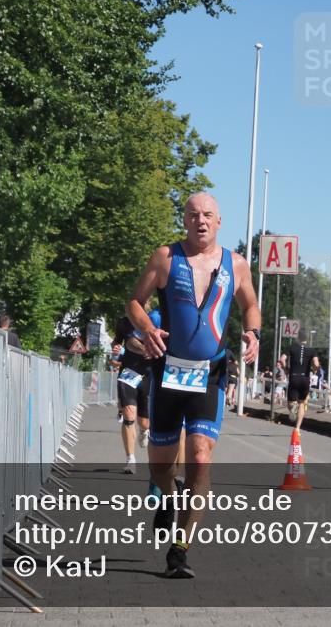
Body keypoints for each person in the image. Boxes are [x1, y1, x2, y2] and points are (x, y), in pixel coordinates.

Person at [128, 192, 260, 578]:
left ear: (219, 222)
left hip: (210, 373)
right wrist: (148, 328)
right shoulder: (165, 258)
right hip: (169, 372)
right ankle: (168, 497)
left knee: (201, 455)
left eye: (207, 215)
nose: (200, 221)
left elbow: (250, 304)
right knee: (160, 467)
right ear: (184, 220)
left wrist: (252, 332)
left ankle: (179, 550)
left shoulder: (236, 265)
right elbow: (134, 303)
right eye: (192, 215)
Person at [112, 313, 159, 473]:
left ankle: (144, 431)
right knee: (129, 415)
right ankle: (130, 459)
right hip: (128, 372)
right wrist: (115, 351)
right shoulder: (123, 322)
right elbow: (117, 342)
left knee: (144, 422)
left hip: (148, 374)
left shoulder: (154, 319)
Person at [281, 329, 320, 431]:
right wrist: (315, 370)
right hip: (305, 379)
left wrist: (286, 369)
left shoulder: (291, 347)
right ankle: (297, 428)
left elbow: (282, 359)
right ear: (307, 338)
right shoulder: (312, 350)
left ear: (298, 337)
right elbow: (316, 364)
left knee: (290, 403)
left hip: (294, 377)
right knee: (302, 403)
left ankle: (292, 408)